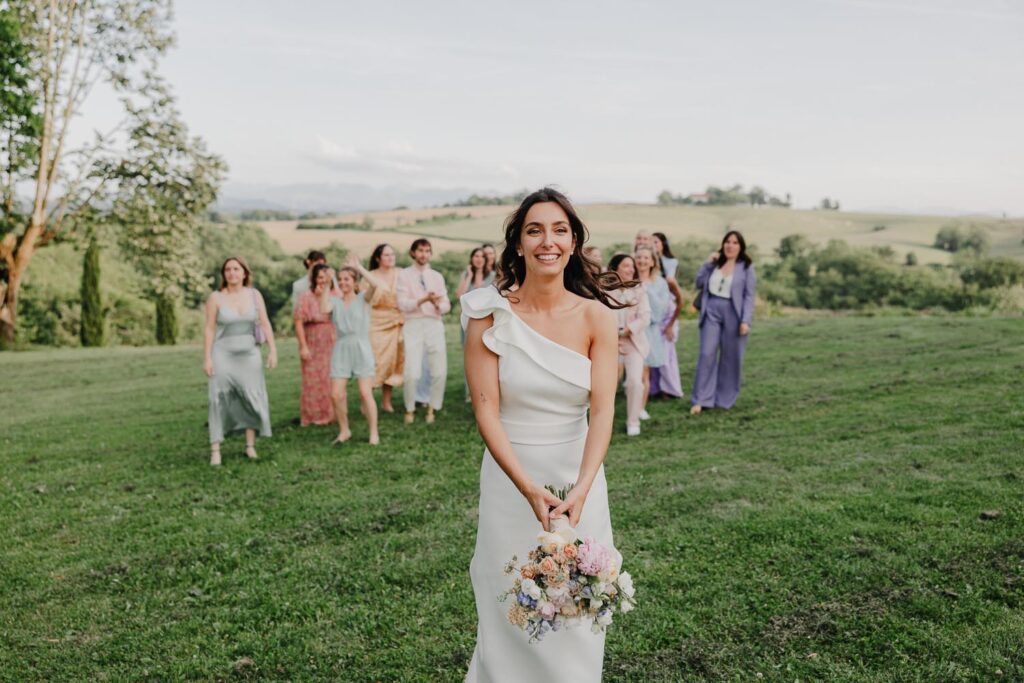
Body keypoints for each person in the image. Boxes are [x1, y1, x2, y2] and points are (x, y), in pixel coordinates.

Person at [462, 187, 631, 682]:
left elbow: (602, 412)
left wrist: (580, 487)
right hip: (511, 479)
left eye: (559, 230)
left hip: (580, 478)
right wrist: (527, 487)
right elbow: (487, 412)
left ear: (574, 241)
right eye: (534, 230)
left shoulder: (596, 316)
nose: (547, 241)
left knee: (577, 608)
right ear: (517, 243)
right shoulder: (487, 315)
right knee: (508, 604)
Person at [204, 257, 277, 466]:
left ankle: (250, 446)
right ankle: (215, 449)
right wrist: (207, 358)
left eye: (236, 269)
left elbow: (264, 322)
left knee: (250, 397)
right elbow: (209, 329)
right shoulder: (215, 298)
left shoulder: (254, 295)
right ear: (224, 274)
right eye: (228, 269)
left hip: (249, 354)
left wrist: (273, 350)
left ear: (244, 273)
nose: (232, 273)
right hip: (223, 353)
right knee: (218, 398)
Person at [323, 256, 389, 445]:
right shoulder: (334, 301)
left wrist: (359, 267)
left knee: (365, 393)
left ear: (354, 282)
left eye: (347, 279)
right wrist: (328, 284)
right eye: (341, 279)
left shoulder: (363, 299)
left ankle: (373, 432)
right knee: (335, 394)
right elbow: (323, 308)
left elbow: (376, 285)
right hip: (341, 349)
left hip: (361, 347)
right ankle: (344, 430)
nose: (343, 283)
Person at [691, 231, 756, 414]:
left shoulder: (746, 267)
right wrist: (707, 263)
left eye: (735, 242)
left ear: (740, 246)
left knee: (730, 357)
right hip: (711, 309)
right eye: (727, 242)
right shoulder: (714, 264)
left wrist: (745, 320)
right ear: (723, 244)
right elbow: (698, 283)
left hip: (734, 313)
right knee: (706, 354)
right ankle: (701, 399)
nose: (730, 245)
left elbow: (749, 296)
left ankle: (724, 398)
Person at [397, 238, 451, 424]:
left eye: (427, 251)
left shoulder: (437, 276)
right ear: (413, 253)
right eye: (420, 251)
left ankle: (432, 407)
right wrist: (422, 299)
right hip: (413, 324)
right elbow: (402, 304)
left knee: (439, 369)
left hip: (434, 323)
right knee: (412, 371)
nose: (424, 254)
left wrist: (437, 303)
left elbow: (446, 306)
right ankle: (410, 408)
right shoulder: (404, 275)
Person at [634, 247, 682, 419]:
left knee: (644, 372)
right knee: (632, 373)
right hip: (630, 331)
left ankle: (640, 407)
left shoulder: (660, 283)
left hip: (650, 331)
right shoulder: (627, 279)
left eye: (646, 257)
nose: (642, 260)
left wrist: (645, 288)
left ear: (653, 261)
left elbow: (661, 310)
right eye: (639, 257)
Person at [607, 254, 650, 436]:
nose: (631, 269)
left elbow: (645, 316)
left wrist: (628, 330)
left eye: (632, 266)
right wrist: (611, 334)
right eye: (626, 266)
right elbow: (599, 313)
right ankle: (602, 419)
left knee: (634, 381)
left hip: (633, 341)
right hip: (609, 341)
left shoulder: (639, 290)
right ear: (616, 268)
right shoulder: (604, 289)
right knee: (607, 383)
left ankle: (633, 421)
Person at [293, 263, 336, 426]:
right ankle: (312, 416)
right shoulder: (306, 297)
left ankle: (331, 414)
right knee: (312, 379)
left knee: (331, 377)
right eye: (320, 277)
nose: (323, 281)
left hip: (331, 339)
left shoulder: (335, 295)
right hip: (312, 339)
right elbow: (298, 322)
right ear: (314, 279)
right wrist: (303, 346)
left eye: (326, 278)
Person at [365, 243, 404, 413]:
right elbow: (364, 300)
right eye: (387, 255)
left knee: (392, 362)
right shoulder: (370, 276)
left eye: (392, 254)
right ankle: (367, 399)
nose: (391, 258)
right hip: (375, 322)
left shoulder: (401, 274)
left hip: (397, 321)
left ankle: (386, 401)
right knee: (375, 361)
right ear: (377, 258)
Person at [649, 232, 685, 399]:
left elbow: (670, 281)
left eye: (656, 241)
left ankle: (669, 388)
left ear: (663, 243)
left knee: (666, 351)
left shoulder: (670, 263)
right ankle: (654, 387)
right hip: (652, 307)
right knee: (653, 348)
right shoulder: (646, 264)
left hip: (667, 307)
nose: (653, 244)